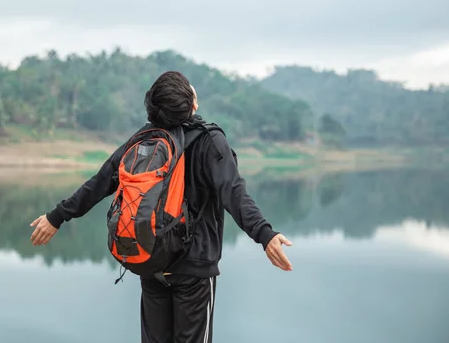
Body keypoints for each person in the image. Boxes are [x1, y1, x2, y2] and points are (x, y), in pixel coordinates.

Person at [29, 71, 293, 343]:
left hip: (151, 259)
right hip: (193, 270)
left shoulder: (143, 140)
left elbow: (99, 183)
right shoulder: (209, 140)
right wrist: (265, 234)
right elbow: (234, 193)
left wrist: (57, 217)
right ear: (191, 103)